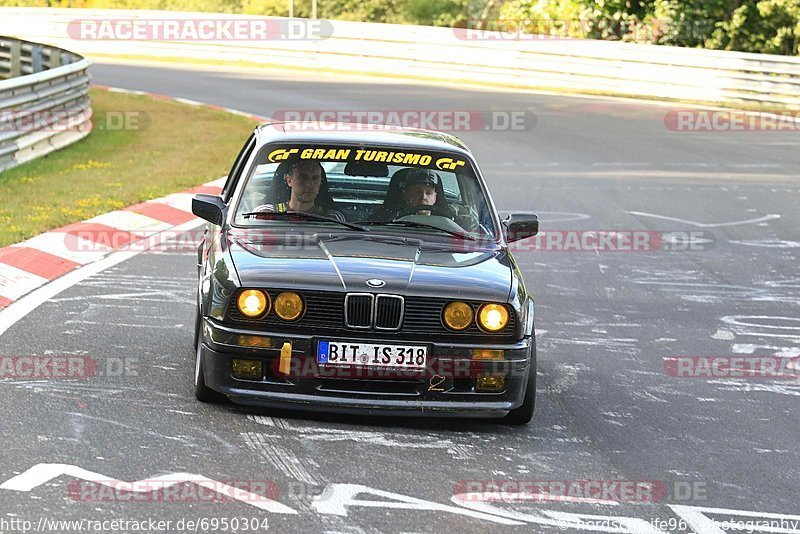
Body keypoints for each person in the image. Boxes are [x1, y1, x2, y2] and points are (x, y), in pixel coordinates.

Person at [253, 160, 345, 221]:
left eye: (315, 178)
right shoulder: (264, 215)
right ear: (289, 180)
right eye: (303, 178)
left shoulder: (333, 219)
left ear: (320, 182)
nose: (309, 184)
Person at [369, 168, 455, 221]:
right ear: (405, 195)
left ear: (435, 197)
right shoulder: (388, 224)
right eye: (417, 192)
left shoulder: (449, 227)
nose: (423, 197)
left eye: (429, 193)